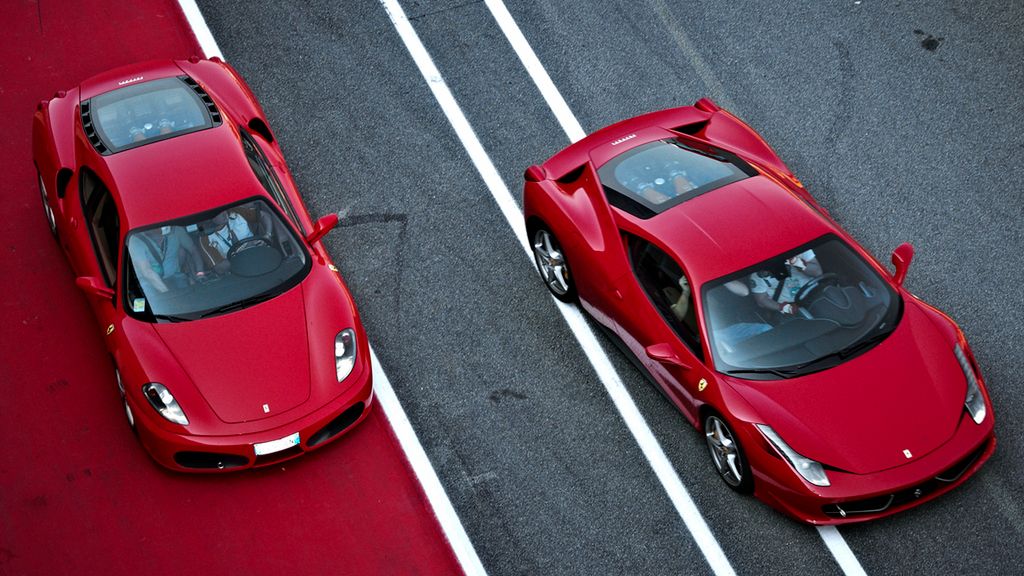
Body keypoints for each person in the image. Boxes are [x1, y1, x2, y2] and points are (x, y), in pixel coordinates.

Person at [128, 225, 206, 294]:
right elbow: (147, 272)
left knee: (189, 293)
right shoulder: (136, 240)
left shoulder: (176, 231)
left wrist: (200, 272)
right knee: (146, 294)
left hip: (175, 276)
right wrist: (168, 295)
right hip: (149, 282)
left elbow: (193, 250)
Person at [750, 250, 822, 316]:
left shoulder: (800, 248)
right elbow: (761, 300)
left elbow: (818, 272)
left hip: (815, 293)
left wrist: (795, 262)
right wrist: (785, 308)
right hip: (788, 307)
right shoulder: (759, 273)